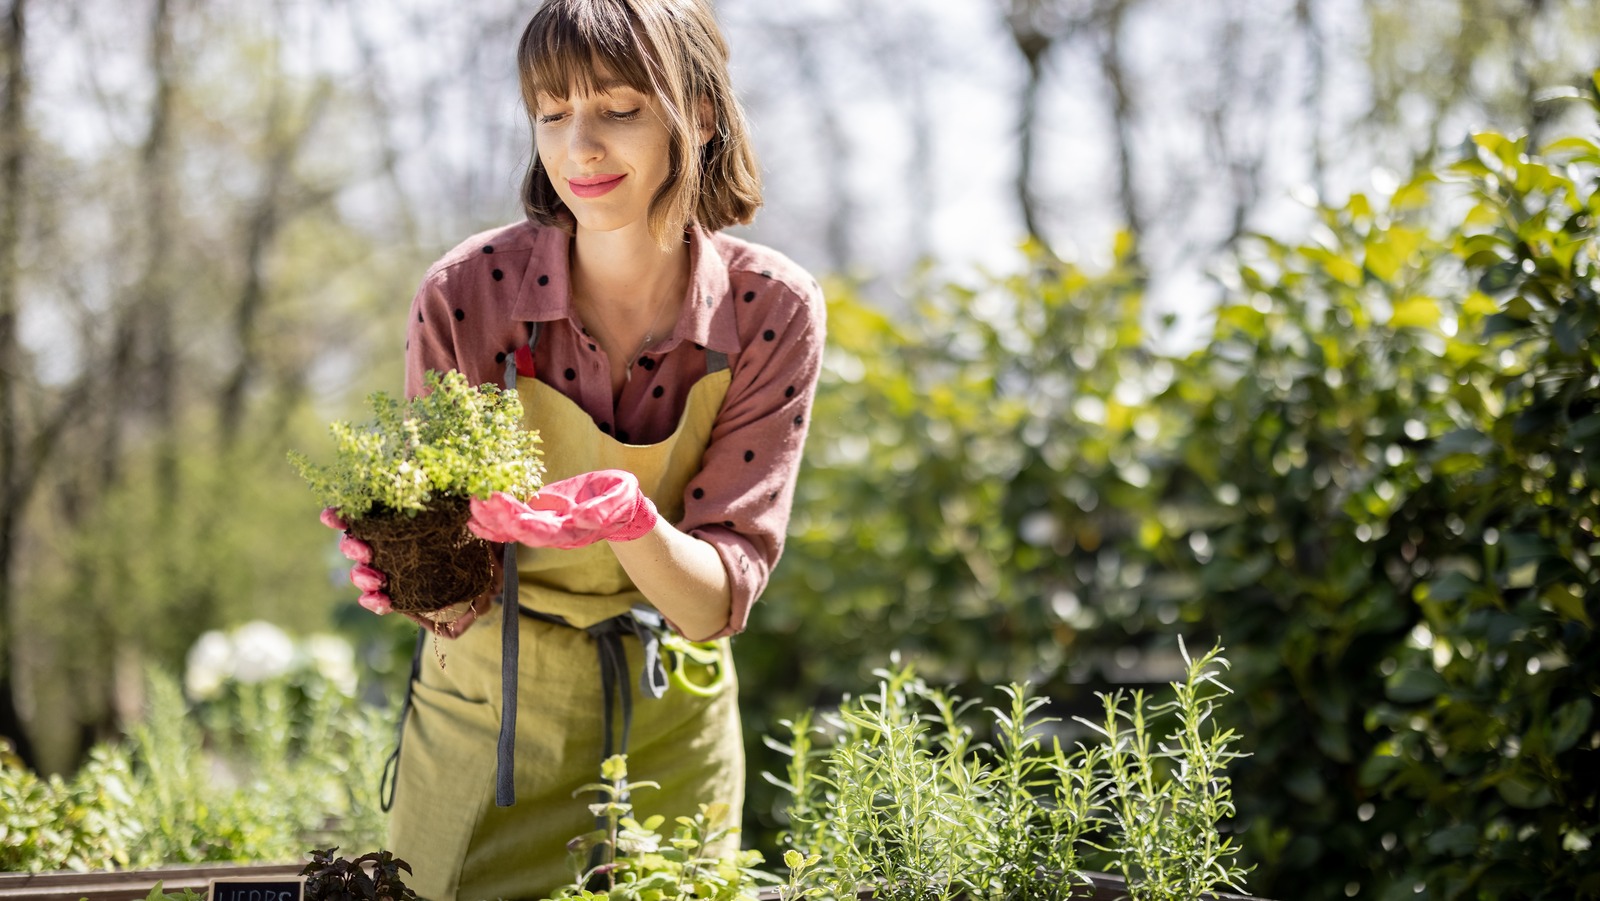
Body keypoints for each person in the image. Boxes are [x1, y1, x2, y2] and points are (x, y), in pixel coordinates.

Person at [323, 1, 825, 898]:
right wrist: (408, 568)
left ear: (698, 115)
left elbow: (714, 601)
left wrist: (628, 519)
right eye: (553, 113)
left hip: (672, 724)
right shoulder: (468, 295)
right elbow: (446, 569)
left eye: (619, 109)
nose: (579, 149)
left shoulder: (769, 311)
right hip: (492, 716)